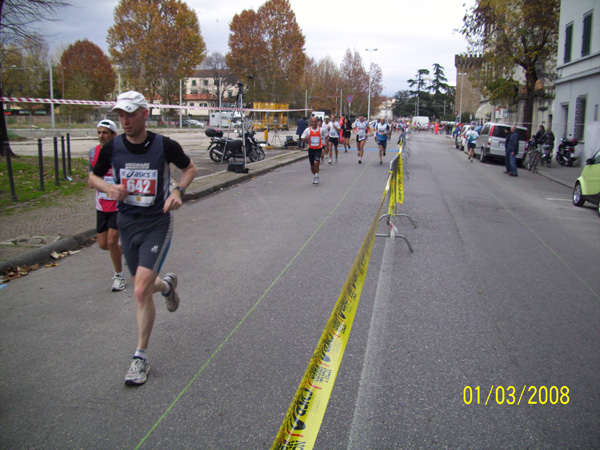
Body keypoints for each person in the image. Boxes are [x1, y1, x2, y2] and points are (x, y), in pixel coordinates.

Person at [88, 91, 198, 386]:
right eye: (120, 115)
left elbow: (190, 169)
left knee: (139, 291)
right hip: (127, 224)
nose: (124, 121)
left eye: (130, 114)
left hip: (156, 223)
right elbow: (92, 178)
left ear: (144, 114)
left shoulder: (164, 145)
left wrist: (178, 191)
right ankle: (167, 287)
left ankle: (140, 358)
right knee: (145, 286)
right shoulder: (113, 147)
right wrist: (108, 188)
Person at [89, 119, 126, 292]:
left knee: (111, 242)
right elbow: (91, 179)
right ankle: (123, 249)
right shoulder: (93, 152)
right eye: (99, 132)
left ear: (113, 135)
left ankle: (119, 277)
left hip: (119, 205)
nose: (101, 136)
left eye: (105, 132)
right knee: (103, 244)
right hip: (101, 205)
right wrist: (96, 182)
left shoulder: (121, 153)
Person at [301, 116, 328, 184]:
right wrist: (307, 138)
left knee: (316, 162)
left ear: (318, 122)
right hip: (311, 149)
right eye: (313, 122)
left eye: (315, 121)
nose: (314, 123)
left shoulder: (321, 130)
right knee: (312, 166)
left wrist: (325, 143)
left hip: (318, 149)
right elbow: (302, 138)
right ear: (311, 122)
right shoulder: (308, 130)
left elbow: (326, 136)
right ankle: (314, 175)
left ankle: (317, 175)